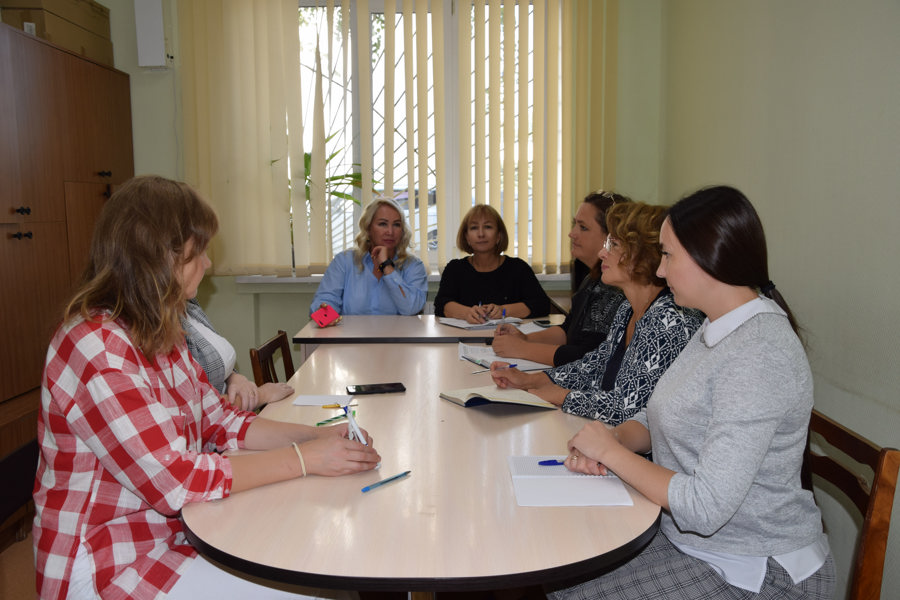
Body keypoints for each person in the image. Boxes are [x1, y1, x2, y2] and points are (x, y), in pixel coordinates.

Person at [33, 176, 381, 600]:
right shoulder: (95, 345)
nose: (209, 264)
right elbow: (174, 480)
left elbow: (222, 421)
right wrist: (305, 458)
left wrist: (317, 436)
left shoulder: (162, 329)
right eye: (199, 252)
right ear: (160, 258)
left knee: (319, 563)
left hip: (178, 531)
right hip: (108, 561)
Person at [551, 186, 834, 599]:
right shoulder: (714, 326)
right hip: (696, 544)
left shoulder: (759, 352)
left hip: (757, 570)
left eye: (667, 255)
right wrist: (612, 439)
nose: (660, 272)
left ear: (709, 259)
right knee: (563, 574)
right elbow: (659, 413)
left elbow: (704, 506)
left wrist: (612, 455)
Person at [491, 202, 702, 425]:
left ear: (642, 255)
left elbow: (627, 409)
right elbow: (593, 367)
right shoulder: (627, 309)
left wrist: (559, 395)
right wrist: (529, 381)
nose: (602, 253)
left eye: (613, 245)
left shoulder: (669, 319)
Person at [492, 191, 628, 366]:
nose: (572, 234)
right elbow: (568, 331)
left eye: (583, 227)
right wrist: (524, 339)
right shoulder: (591, 278)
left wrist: (522, 349)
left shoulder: (614, 288)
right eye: (575, 225)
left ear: (610, 237)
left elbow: (587, 357)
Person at [310, 197, 427, 321]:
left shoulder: (414, 265)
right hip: (351, 337)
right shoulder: (344, 261)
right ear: (368, 228)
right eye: (383, 224)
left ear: (402, 231)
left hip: (395, 338)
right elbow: (324, 301)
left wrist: (387, 267)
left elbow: (411, 309)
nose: (390, 231)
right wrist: (326, 318)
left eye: (396, 225)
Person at [433, 204, 550, 323]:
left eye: (488, 227)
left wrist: (503, 310)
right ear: (467, 237)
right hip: (464, 337)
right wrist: (467, 313)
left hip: (509, 337)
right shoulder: (455, 269)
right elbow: (441, 305)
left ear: (499, 236)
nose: (481, 234)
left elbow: (541, 304)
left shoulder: (518, 268)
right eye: (474, 228)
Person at [184, 298, 293, 411]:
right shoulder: (171, 327)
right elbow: (198, 411)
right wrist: (262, 394)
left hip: (232, 415)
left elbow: (217, 358)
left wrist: (233, 377)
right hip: (223, 420)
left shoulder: (190, 305)